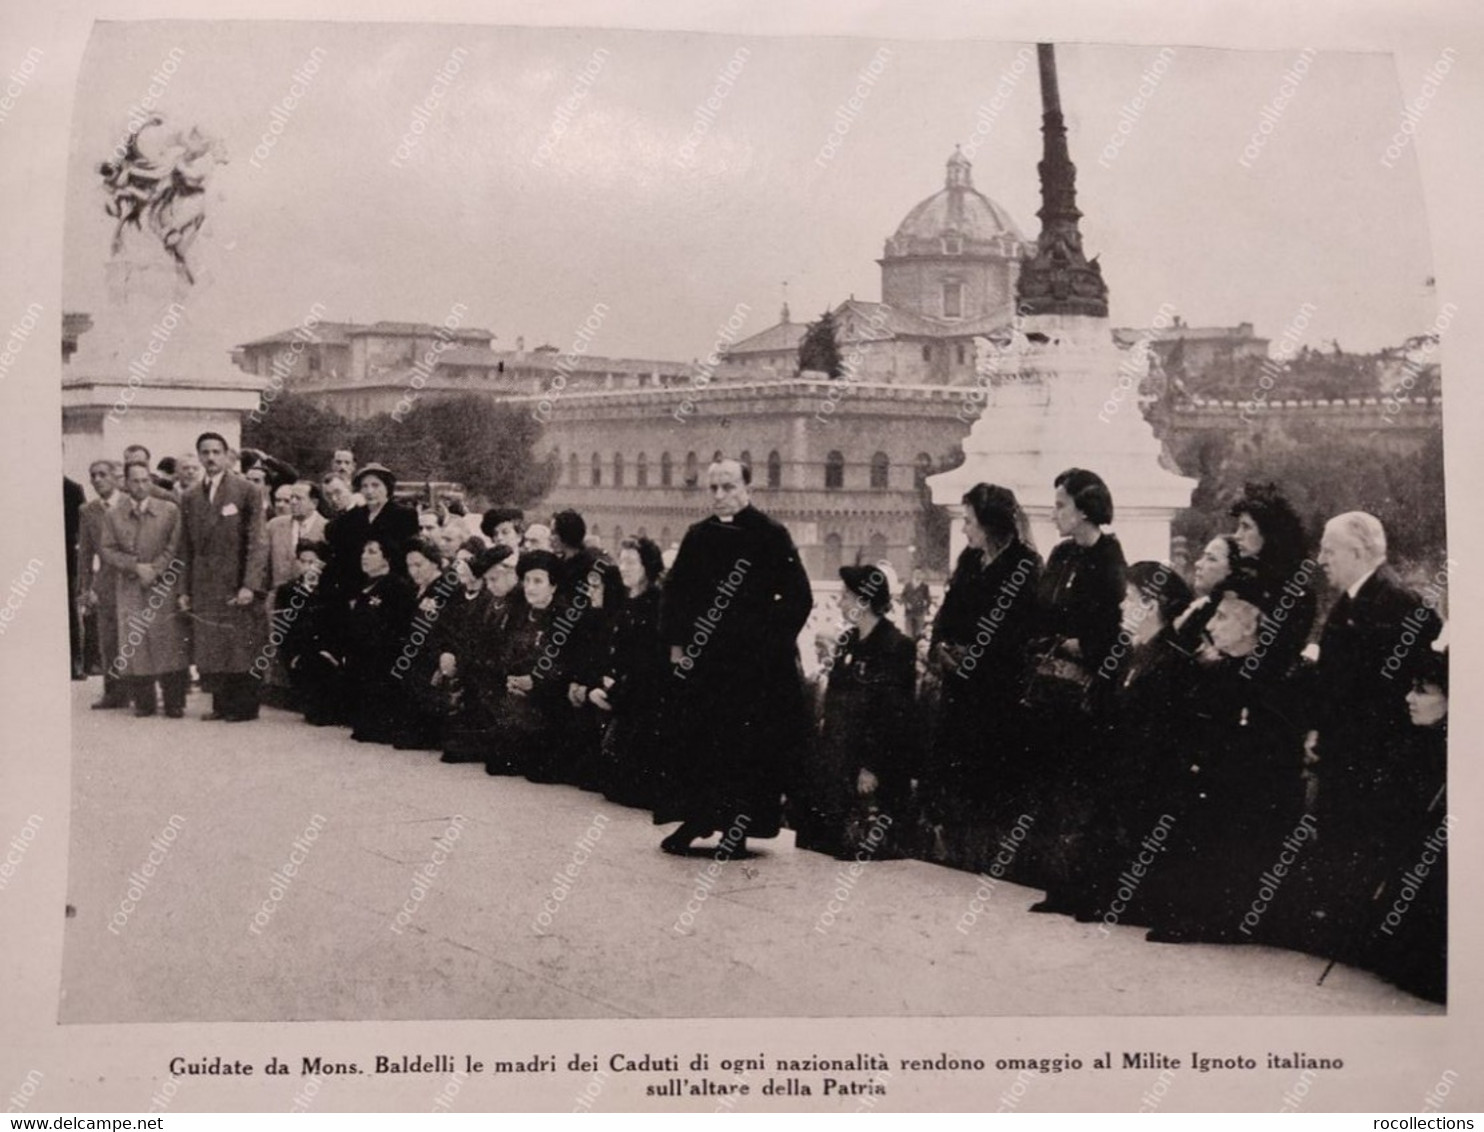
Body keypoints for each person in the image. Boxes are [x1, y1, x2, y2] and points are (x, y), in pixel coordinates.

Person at [654, 457, 813, 856]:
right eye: (714, 488)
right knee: (700, 743)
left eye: (729, 487)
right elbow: (675, 593)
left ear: (748, 489)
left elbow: (798, 596)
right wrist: (677, 646)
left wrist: (766, 641)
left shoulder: (771, 535)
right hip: (705, 665)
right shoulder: (697, 535)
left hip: (753, 671)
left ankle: (738, 829)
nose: (721, 496)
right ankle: (697, 818)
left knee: (746, 749)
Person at [1302, 512, 1443, 962]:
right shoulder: (1348, 603)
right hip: (1344, 751)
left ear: (1359, 553)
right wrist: (1319, 727)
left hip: (1378, 757)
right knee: (1339, 839)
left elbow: (1412, 685)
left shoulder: (1400, 605)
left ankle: (1361, 937)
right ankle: (1342, 931)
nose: (1321, 558)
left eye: (1329, 549)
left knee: (1365, 843)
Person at [1141, 575, 1308, 944]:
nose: (1212, 626)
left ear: (1252, 625)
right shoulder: (1218, 672)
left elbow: (1266, 754)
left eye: (1223, 619)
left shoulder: (1275, 680)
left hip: (1252, 800)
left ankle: (1217, 913)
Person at [1042, 561, 1192, 922]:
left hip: (1142, 792)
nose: (1123, 606)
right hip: (1118, 784)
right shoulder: (1131, 654)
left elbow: (1156, 737)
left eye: (1131, 598)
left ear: (1152, 605)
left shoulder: (1170, 661)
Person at [924, 484, 1042, 868]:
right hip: (959, 693)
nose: (964, 530)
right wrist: (940, 648)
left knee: (991, 788)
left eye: (970, 522)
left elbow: (1012, 632)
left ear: (990, 523)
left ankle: (990, 865)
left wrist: (971, 658)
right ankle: (957, 859)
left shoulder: (1023, 565)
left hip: (997, 698)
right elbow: (948, 613)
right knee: (956, 785)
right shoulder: (970, 561)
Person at [793, 564, 917, 860]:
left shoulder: (896, 647)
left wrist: (872, 766)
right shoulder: (848, 641)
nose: (840, 602)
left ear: (864, 601)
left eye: (846, 596)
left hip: (869, 773)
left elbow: (895, 714)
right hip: (839, 764)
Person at [179, 432, 269, 722]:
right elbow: (186, 547)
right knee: (213, 644)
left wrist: (250, 584)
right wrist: (184, 588)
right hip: (206, 583)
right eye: (205, 452)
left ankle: (243, 707)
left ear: (227, 454)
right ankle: (220, 703)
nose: (211, 458)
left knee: (240, 644)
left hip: (235, 581)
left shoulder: (246, 490)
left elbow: (257, 541)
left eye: (216, 452)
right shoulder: (191, 495)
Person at [100, 460, 190, 717]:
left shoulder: (169, 510)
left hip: (164, 586)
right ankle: (144, 702)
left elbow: (176, 544)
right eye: (134, 481)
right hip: (131, 586)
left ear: (151, 481)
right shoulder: (113, 514)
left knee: (169, 642)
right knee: (135, 641)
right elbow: (107, 549)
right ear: (125, 483)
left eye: (144, 480)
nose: (140, 486)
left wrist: (157, 568)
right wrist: (134, 566)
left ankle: (174, 702)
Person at [591, 537, 668, 809]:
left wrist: (614, 692)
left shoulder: (656, 604)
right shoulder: (627, 601)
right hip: (624, 693)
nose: (624, 568)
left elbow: (648, 661)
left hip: (645, 699)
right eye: (621, 561)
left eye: (631, 562)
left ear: (647, 566)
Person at [488, 550, 568, 777]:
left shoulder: (563, 618)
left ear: (553, 586)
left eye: (538, 581)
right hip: (516, 694)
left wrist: (535, 681)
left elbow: (562, 663)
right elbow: (508, 652)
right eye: (527, 581)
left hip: (547, 698)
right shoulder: (521, 612)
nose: (530, 587)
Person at [1228, 481, 1317, 674]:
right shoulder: (1240, 580)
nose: (1237, 536)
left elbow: (1276, 656)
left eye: (1246, 527)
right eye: (1238, 527)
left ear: (1268, 534)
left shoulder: (1295, 592)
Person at [436, 544, 514, 764]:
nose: (490, 584)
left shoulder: (511, 602)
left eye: (495, 578)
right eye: (488, 579)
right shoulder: (490, 601)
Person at [342, 538, 415, 744]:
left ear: (387, 559)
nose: (365, 556)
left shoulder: (396, 586)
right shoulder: (364, 585)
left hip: (384, 660)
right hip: (362, 660)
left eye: (372, 552)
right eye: (364, 551)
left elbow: (398, 626)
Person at [392, 539, 459, 751]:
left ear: (435, 563)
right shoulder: (418, 589)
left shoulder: (445, 587)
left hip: (433, 659)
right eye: (409, 566)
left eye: (419, 565)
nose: (413, 571)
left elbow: (446, 629)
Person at [323, 463, 418, 606]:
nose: (369, 491)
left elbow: (406, 555)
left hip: (392, 589)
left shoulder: (403, 515)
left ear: (387, 487)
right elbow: (344, 558)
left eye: (375, 485)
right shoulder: (351, 518)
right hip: (355, 589)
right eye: (364, 486)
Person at [275, 539, 341, 726]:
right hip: (300, 652)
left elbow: (337, 623)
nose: (307, 567)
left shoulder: (331, 589)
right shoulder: (287, 590)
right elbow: (284, 628)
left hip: (326, 651)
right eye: (302, 562)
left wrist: (329, 650)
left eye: (312, 562)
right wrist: (294, 654)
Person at [1170, 535, 1239, 655]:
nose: (1198, 564)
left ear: (1232, 570)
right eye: (1202, 557)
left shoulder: (1237, 616)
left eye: (1211, 559)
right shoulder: (1199, 609)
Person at [266, 482, 328, 591]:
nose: (293, 502)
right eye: (292, 497)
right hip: (277, 597)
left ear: (314, 503)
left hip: (311, 599)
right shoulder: (274, 525)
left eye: (298, 498)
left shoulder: (327, 529)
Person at [65, 475, 86, 680]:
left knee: (71, 612)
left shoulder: (72, 489)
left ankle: (75, 664)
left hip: (67, 560)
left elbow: (82, 532)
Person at [901, 567, 932, 641]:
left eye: (919, 573)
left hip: (920, 613)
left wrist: (926, 603)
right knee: (909, 634)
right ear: (913, 574)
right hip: (909, 613)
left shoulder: (925, 586)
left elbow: (928, 599)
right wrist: (906, 603)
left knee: (918, 634)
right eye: (916, 573)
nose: (917, 575)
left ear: (922, 575)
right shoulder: (908, 585)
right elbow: (903, 596)